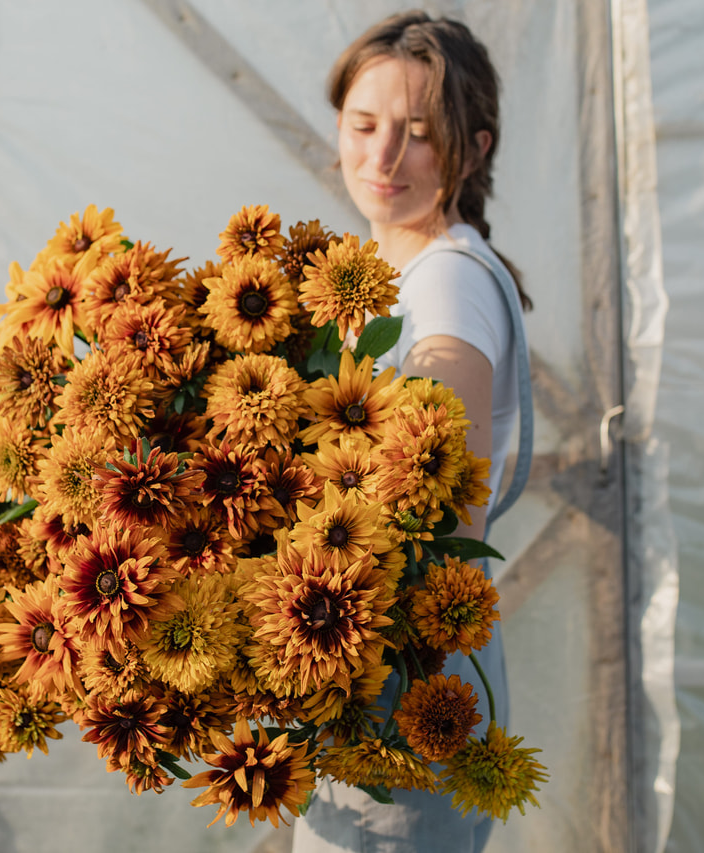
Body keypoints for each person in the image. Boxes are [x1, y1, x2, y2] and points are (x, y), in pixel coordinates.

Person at [292, 10, 533, 852]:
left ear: (473, 148)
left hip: (402, 687)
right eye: (364, 126)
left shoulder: (444, 286)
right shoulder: (404, 270)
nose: (382, 157)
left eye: (418, 134)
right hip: (373, 675)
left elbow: (440, 510)